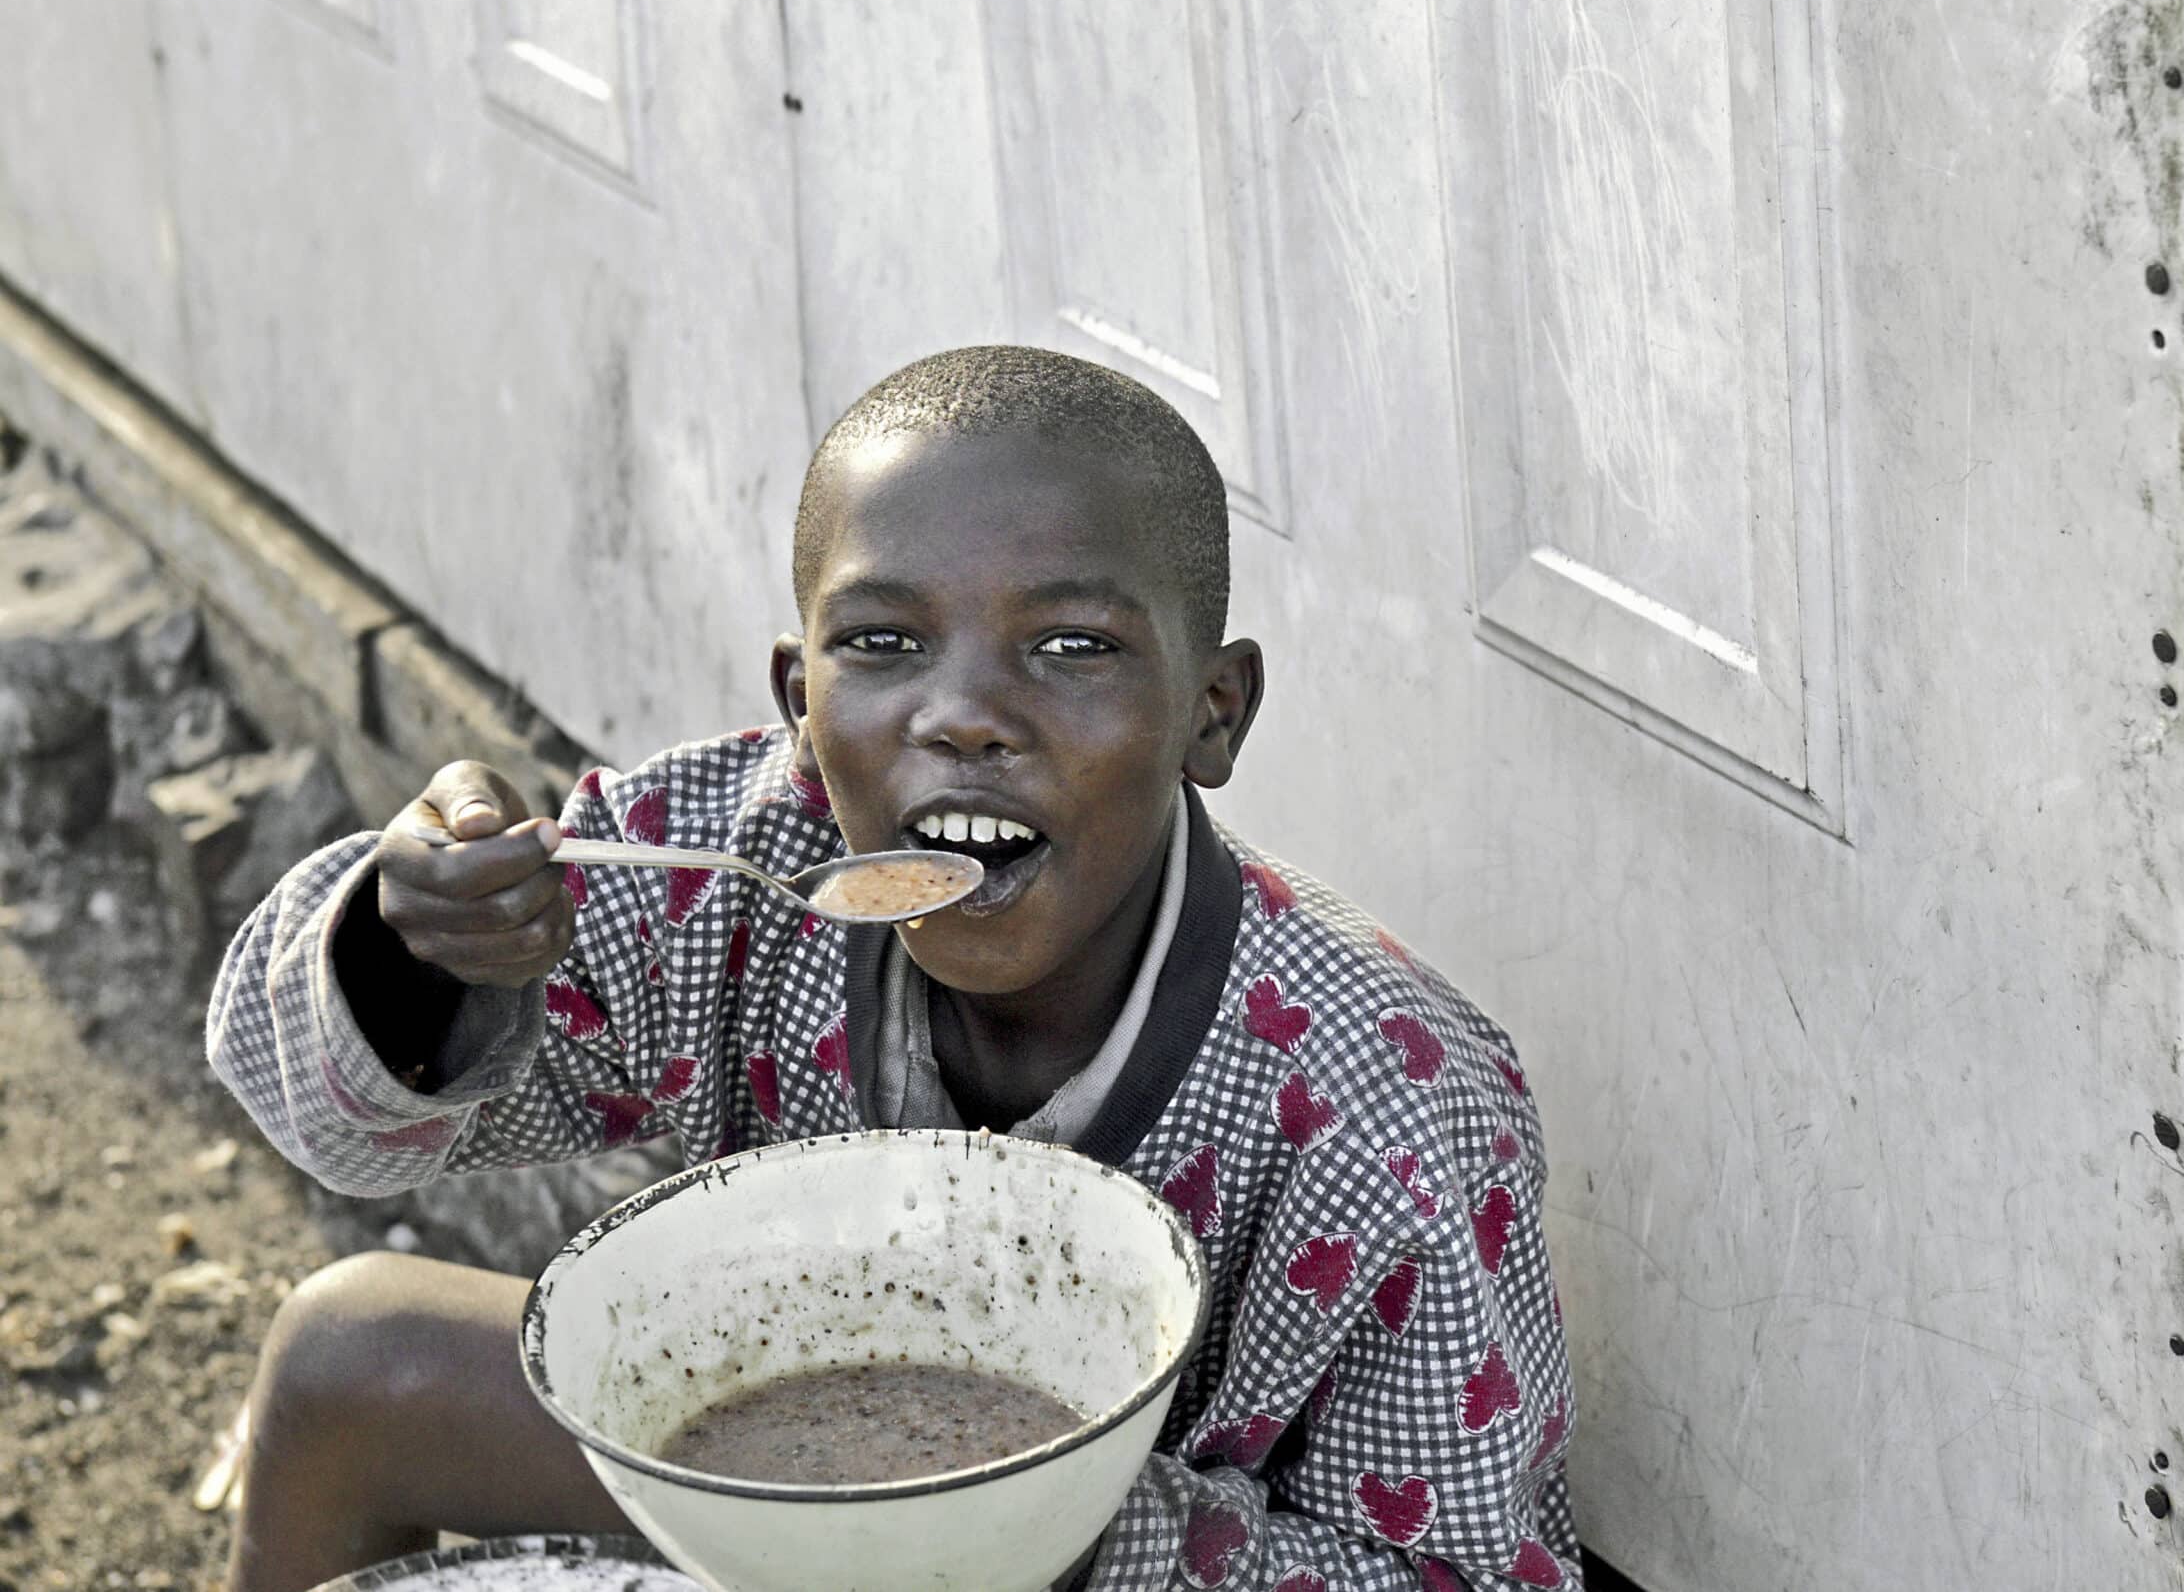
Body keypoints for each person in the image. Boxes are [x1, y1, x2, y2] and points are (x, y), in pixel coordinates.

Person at [208, 346, 1579, 1591]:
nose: (964, 713)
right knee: (351, 1361)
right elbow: (331, 1120)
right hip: (778, 1521)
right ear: (802, 708)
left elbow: (1458, 1578)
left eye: (1071, 647)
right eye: (881, 643)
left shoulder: (1386, 1104)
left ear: (1208, 715)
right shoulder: (730, 873)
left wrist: (1031, 1516)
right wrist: (421, 950)